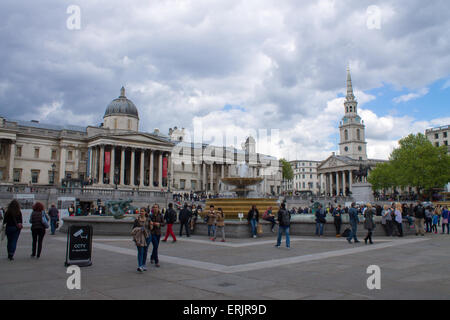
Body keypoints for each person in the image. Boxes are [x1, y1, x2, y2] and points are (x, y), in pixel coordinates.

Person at [132, 207, 151, 272]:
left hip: (147, 237)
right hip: (139, 237)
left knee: (145, 251)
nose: (141, 212)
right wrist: (139, 229)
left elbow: (150, 228)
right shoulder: (137, 220)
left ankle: (143, 264)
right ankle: (140, 266)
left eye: (142, 211)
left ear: (145, 212)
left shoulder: (148, 219)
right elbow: (133, 229)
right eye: (140, 211)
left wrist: (152, 225)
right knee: (140, 251)